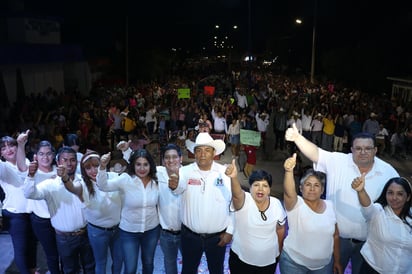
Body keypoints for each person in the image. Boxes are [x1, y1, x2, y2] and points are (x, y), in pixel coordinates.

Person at [285, 124, 399, 274]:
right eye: (358, 148)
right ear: (351, 150)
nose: (363, 152)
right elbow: (315, 153)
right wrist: (297, 138)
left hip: (370, 243)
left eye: (368, 148)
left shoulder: (388, 172)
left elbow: (398, 204)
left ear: (375, 150)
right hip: (337, 241)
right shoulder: (337, 161)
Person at [23, 146, 95, 274]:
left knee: (89, 267)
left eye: (72, 160)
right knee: (69, 270)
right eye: (65, 160)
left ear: (76, 163)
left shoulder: (84, 180)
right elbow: (29, 194)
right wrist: (30, 176)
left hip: (86, 234)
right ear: (58, 163)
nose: (69, 163)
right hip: (64, 238)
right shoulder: (50, 184)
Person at [172, 132, 233, 274]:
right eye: (198, 150)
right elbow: (178, 189)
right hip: (190, 236)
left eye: (207, 150)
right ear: (194, 153)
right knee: (188, 270)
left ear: (214, 153)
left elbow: (234, 204)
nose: (202, 154)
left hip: (218, 238)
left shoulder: (225, 173)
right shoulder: (185, 171)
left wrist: (230, 231)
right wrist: (174, 186)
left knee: (216, 270)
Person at [96, 149, 160, 274]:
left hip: (151, 230)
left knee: (148, 264)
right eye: (138, 164)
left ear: (150, 165)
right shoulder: (125, 179)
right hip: (129, 232)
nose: (142, 168)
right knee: (130, 268)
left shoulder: (156, 181)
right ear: (133, 165)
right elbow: (103, 186)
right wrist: (102, 167)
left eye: (145, 164)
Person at [62, 150, 123, 274]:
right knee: (101, 263)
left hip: (118, 229)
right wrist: (65, 178)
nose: (93, 170)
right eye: (88, 168)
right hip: (98, 231)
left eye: (96, 165)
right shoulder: (83, 184)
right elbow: (72, 188)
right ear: (84, 171)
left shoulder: (113, 177)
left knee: (118, 260)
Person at [280, 153, 342, 274]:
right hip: (293, 264)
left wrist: (337, 260)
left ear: (322, 190)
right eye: (308, 185)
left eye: (316, 185)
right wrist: (288, 171)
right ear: (301, 188)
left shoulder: (330, 206)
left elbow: (335, 235)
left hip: (323, 267)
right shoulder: (296, 204)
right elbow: (288, 192)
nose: (312, 188)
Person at [225, 160, 286, 274]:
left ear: (269, 189)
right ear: (250, 187)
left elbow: (280, 228)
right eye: (256, 185)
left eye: (265, 186)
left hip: (268, 261)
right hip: (241, 259)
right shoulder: (244, 200)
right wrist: (234, 177)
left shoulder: (276, 203)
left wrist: (279, 249)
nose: (260, 189)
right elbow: (237, 195)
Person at [16, 132, 61, 274]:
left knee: (64, 253)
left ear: (53, 155)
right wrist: (21, 144)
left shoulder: (59, 171)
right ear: (36, 156)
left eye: (48, 153)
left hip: (60, 218)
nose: (45, 157)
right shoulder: (32, 170)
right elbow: (22, 165)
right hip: (41, 220)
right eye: (41, 154)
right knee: (52, 254)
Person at [351, 176, 412, 273]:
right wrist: (361, 191)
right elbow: (368, 207)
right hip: (372, 270)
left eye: (400, 194)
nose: (394, 198)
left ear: (408, 197)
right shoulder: (378, 211)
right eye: (390, 193)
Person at [0, 135, 38, 274]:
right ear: (1, 153)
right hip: (15, 213)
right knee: (20, 249)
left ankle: (33, 270)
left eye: (11, 145)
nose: (8, 149)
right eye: (4, 148)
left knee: (32, 245)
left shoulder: (27, 162)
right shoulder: (3, 167)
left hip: (32, 212)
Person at [157, 144, 183, 274]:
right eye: (167, 157)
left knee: (189, 264)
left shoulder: (189, 175)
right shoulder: (158, 174)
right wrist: (126, 151)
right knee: (169, 263)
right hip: (166, 233)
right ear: (163, 161)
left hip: (186, 233)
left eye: (174, 157)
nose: (171, 160)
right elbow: (139, 165)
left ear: (181, 159)